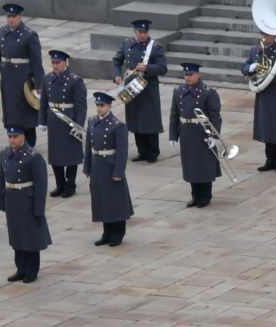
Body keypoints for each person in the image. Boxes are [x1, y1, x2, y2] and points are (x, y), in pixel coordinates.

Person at [0, 125, 50, 284]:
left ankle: (32, 270)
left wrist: (38, 208)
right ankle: (20, 268)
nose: (12, 140)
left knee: (30, 237)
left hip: (27, 200)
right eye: (10, 137)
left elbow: (41, 185)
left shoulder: (33, 157)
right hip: (12, 199)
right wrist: (0, 201)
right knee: (17, 236)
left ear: (23, 137)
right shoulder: (5, 153)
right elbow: (2, 179)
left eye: (15, 136)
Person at [110, 20, 166, 163]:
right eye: (140, 32)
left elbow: (162, 68)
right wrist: (116, 75)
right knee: (135, 118)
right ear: (134, 32)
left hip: (148, 87)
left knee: (149, 119)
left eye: (145, 32)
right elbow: (116, 61)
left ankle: (152, 152)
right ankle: (142, 151)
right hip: (132, 85)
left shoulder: (155, 47)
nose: (143, 35)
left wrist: (147, 68)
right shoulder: (127, 44)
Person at [168, 63, 223, 208]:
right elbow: (174, 115)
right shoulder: (178, 91)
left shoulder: (208, 92)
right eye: (186, 75)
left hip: (202, 133)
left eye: (191, 75)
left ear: (198, 75)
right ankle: (195, 195)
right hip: (187, 133)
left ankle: (205, 196)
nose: (188, 78)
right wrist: (173, 135)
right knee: (191, 166)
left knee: (203, 166)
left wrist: (214, 135)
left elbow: (215, 116)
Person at [82, 92, 132, 246]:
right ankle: (107, 232)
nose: (99, 108)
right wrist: (87, 167)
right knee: (101, 200)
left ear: (109, 106)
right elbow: (89, 146)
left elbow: (122, 151)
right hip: (98, 166)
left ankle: (118, 232)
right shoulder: (92, 122)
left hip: (110, 165)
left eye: (102, 105)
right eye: (97, 105)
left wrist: (118, 172)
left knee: (115, 201)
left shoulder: (117, 126)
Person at [0, 4, 44, 138]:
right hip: (7, 78)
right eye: (9, 16)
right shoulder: (1, 32)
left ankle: (29, 139)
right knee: (10, 110)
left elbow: (37, 62)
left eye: (14, 16)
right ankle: (13, 136)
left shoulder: (29, 35)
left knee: (24, 112)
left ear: (20, 17)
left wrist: (39, 84)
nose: (11, 19)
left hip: (22, 79)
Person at [245, 33, 276, 173]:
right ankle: (269, 160)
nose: (264, 37)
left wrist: (269, 74)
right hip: (263, 94)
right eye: (262, 34)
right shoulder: (256, 50)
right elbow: (244, 66)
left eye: (267, 34)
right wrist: (250, 68)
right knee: (266, 127)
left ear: (274, 36)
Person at [40, 50, 85, 198]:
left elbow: (81, 106)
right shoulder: (47, 78)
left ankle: (70, 184)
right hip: (54, 119)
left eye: (57, 62)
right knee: (55, 154)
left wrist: (78, 125)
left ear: (65, 62)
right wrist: (42, 120)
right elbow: (44, 102)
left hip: (69, 120)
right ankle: (60, 184)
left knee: (71, 154)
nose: (55, 65)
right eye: (53, 62)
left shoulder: (75, 80)